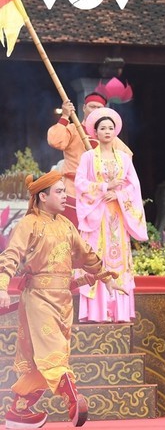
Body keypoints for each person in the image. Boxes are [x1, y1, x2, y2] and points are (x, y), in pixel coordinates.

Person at [0, 171, 124, 428]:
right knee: (52, 352)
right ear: (42, 197)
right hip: (37, 298)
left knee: (42, 358)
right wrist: (2, 287)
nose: (65, 196)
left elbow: (86, 254)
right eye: (58, 191)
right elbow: (10, 256)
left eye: (64, 191)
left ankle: (19, 410)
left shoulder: (66, 225)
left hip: (62, 300)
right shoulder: (29, 224)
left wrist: (106, 276)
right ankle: (73, 399)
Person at [75, 108, 147, 323]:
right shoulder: (88, 157)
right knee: (98, 258)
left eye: (110, 128)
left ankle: (119, 312)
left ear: (116, 132)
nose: (107, 131)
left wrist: (118, 194)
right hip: (97, 215)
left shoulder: (124, 159)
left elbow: (134, 186)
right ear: (95, 133)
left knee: (118, 260)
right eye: (102, 128)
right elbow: (80, 184)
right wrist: (105, 187)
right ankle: (97, 312)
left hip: (118, 214)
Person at [47, 93, 132, 226]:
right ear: (84, 108)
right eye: (92, 106)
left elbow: (127, 160)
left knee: (95, 241)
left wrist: (115, 187)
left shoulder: (110, 137)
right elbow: (55, 140)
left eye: (99, 107)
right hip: (73, 190)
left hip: (99, 193)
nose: (96, 110)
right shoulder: (73, 129)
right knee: (71, 236)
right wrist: (65, 116)